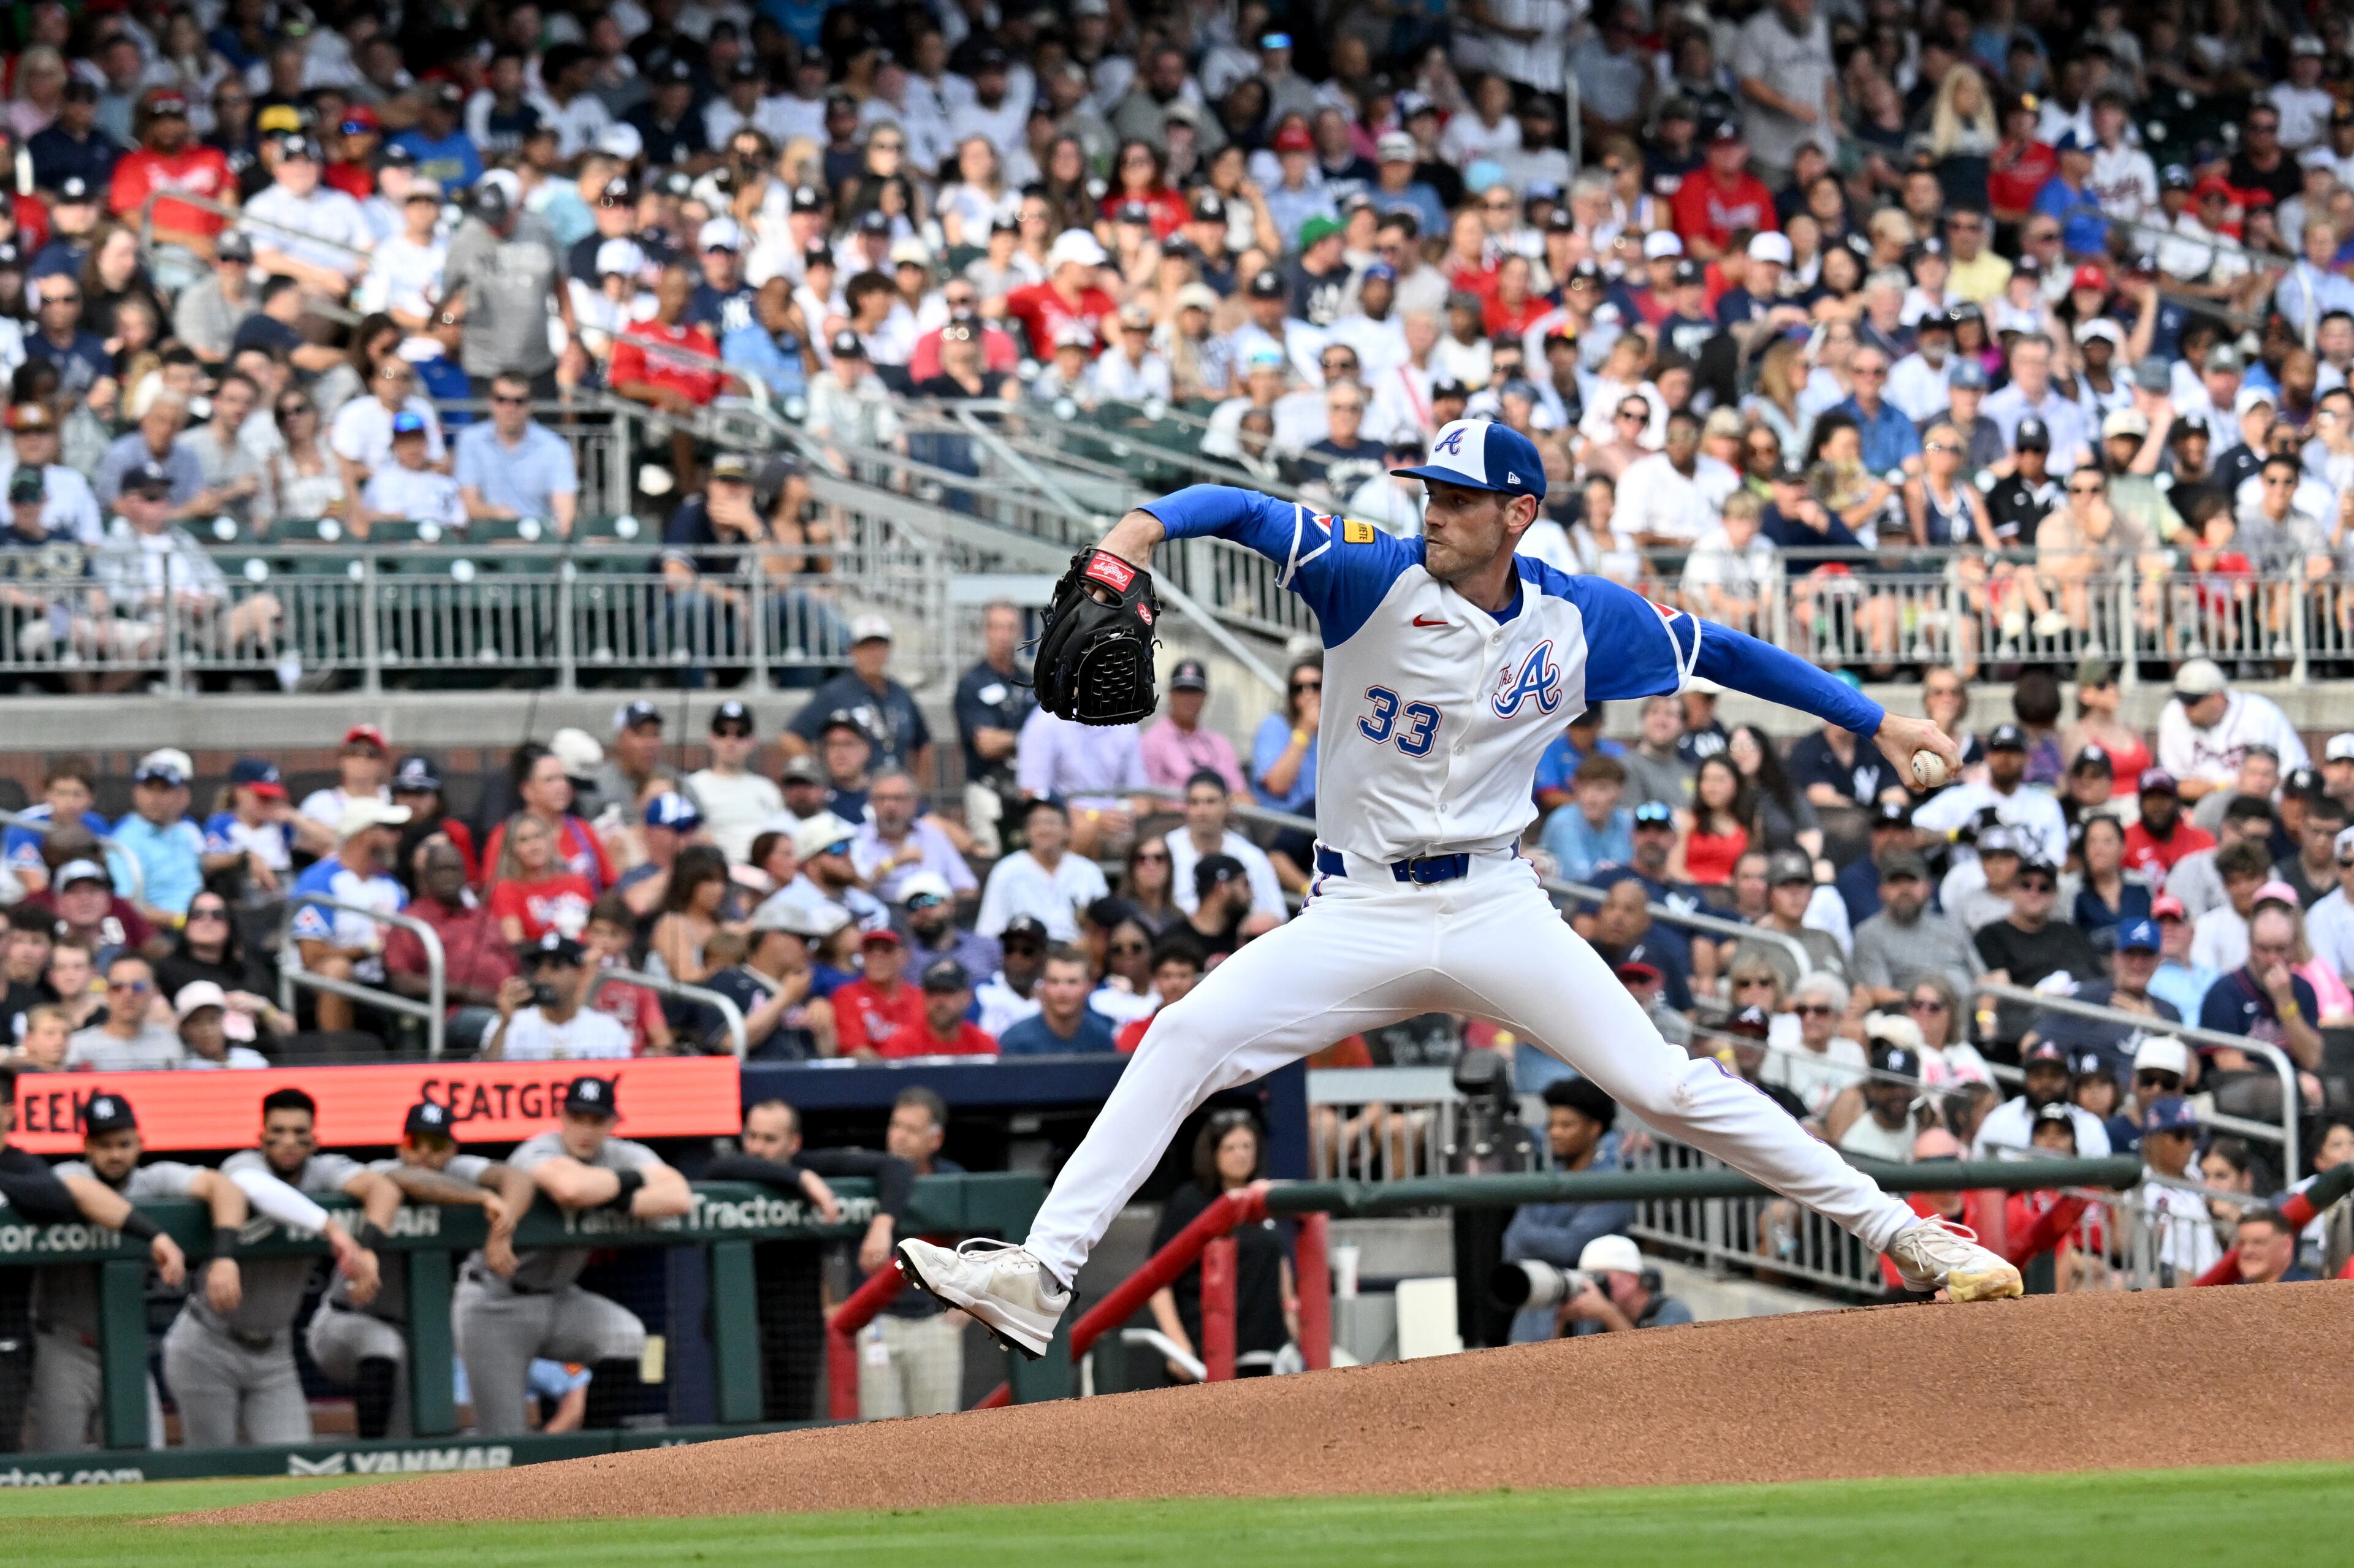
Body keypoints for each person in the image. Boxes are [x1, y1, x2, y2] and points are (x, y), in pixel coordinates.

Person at [896, 419, 2019, 1357]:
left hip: (1494, 904)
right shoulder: (1368, 572)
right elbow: (1228, 507)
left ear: (1517, 513)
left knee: (1666, 1085)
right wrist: (1127, 543)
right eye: (1428, 489)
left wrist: (1883, 720)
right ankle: (1043, 1273)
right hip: (1357, 910)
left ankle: (1909, 1233)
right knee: (1184, 1036)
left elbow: (1725, 651)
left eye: (1458, 496)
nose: (1432, 510)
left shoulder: (1582, 618)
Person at [456, 1076, 690, 1436]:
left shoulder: (620, 1153)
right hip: (495, 1301)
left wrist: (613, 1194)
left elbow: (679, 1196)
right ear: (561, 1116)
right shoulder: (537, 1150)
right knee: (505, 1440)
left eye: (596, 1121)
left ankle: (593, 1463)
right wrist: (632, 1183)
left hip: (560, 1299)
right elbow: (570, 1188)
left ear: (613, 1123)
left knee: (626, 1337)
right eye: (577, 1117)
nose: (586, 1129)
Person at [161, 1087, 393, 1447]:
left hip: (274, 1354)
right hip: (208, 1342)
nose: (289, 1142)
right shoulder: (244, 1165)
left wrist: (370, 1251)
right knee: (212, 1472)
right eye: (278, 1131)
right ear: (262, 1137)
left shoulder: (323, 1170)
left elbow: (383, 1189)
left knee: (294, 1467)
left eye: (300, 1134)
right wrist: (332, 1229)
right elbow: (257, 1188)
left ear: (315, 1141)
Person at [1499, 1075, 1633, 1344]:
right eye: (1552, 1125)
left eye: (1567, 1125)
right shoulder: (1547, 1178)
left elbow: (1570, 1247)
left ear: (1594, 1129)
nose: (1555, 1133)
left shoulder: (1613, 1185)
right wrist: (1549, 1240)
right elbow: (1511, 1244)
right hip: (1532, 1311)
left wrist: (1535, 1238)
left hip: (1587, 1320)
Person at [288, 798, 410, 1033]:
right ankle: (337, 1056)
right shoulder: (320, 880)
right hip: (317, 982)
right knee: (338, 968)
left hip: (380, 981)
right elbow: (310, 956)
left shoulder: (393, 886)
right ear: (364, 834)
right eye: (390, 829)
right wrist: (365, 951)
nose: (398, 838)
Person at [2157, 658, 2310, 802]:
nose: (2185, 708)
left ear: (2217, 698)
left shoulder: (2261, 714)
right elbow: (2175, 785)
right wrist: (2226, 787)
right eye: (2182, 700)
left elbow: (2295, 773)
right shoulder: (2173, 714)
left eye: (2192, 701)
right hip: (2200, 806)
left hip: (2263, 805)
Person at [484, 934, 631, 1061]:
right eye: (538, 966)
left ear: (579, 973)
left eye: (555, 966)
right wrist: (504, 1024)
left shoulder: (607, 1029)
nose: (544, 974)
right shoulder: (511, 1022)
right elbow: (482, 1080)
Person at [1973, 1040, 2114, 1159]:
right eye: (2038, 1075)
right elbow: (1978, 1167)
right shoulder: (2001, 1119)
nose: (2046, 1083)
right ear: (2026, 1078)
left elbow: (2102, 1183)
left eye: (2054, 1076)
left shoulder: (2089, 1125)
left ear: (2068, 1079)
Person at [685, 700, 784, 865]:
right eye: (722, 732)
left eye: (741, 733)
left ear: (753, 740)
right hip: (715, 871)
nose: (731, 741)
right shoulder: (693, 786)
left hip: (764, 871)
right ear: (711, 738)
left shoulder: (767, 789)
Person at [1139, 658, 1247, 794]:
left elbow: (1242, 795)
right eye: (1182, 691)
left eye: (1194, 691)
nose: (1188, 698)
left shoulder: (1220, 744)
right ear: (1171, 694)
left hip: (1220, 814)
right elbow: (1146, 799)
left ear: (1205, 696)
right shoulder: (1151, 741)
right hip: (1170, 815)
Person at [63, 953, 183, 1068]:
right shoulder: (78, 1047)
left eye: (138, 987)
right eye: (117, 987)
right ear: (107, 993)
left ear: (155, 992)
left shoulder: (167, 1041)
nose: (128, 995)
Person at [996, 945, 1119, 1055]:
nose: (1063, 991)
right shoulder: (1015, 1041)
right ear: (1042, 986)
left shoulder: (1101, 1038)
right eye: (1054, 981)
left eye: (1072, 982)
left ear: (1090, 986)